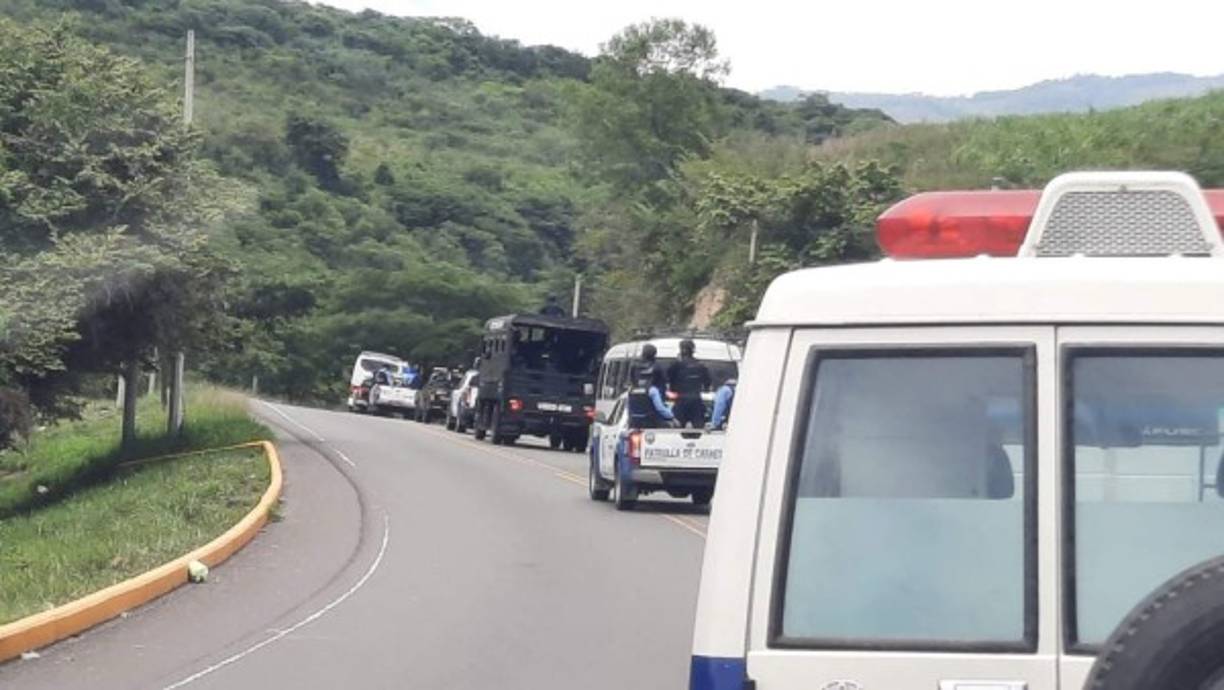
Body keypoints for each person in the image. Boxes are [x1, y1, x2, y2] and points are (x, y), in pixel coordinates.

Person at [667, 339, 711, 428]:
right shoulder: (701, 365)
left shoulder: (676, 365)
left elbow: (669, 381)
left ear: (681, 350)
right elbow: (707, 384)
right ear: (693, 350)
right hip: (696, 400)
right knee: (699, 428)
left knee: (677, 428)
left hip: (681, 400)